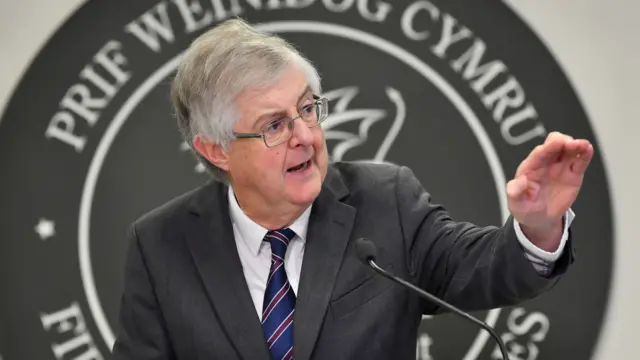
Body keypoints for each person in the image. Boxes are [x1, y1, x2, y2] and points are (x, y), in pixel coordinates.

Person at [111, 18, 592, 360]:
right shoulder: (161, 245)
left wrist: (538, 225)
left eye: (306, 108)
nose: (304, 135)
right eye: (274, 125)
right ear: (216, 149)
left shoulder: (385, 201)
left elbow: (484, 269)